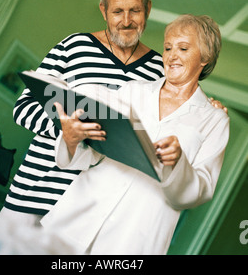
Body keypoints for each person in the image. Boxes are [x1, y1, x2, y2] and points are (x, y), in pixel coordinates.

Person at [2, 0, 226, 224]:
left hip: (91, 212)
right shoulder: (74, 46)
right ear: (103, 10)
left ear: (148, 9)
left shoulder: (159, 68)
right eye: (117, 11)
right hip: (35, 191)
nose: (127, 21)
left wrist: (209, 108)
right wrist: (68, 131)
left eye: (135, 10)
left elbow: (175, 107)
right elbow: (23, 107)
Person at [39, 14, 230, 255]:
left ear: (205, 57)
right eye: (168, 47)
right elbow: (96, 151)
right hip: (74, 222)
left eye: (183, 48)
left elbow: (198, 192)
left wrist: (178, 162)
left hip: (133, 241)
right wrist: (71, 138)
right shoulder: (132, 91)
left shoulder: (214, 120)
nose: (171, 56)